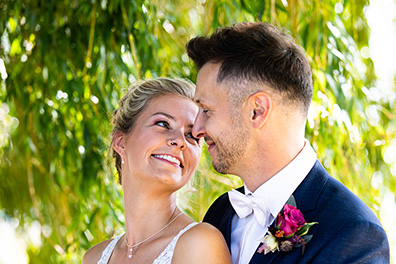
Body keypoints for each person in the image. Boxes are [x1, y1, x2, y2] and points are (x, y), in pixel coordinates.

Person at [187, 22, 390, 263]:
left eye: (206, 110)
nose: (197, 130)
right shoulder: (220, 214)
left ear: (257, 111)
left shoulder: (352, 233)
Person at [82, 78, 232, 264]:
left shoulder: (199, 244)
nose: (179, 141)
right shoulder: (94, 258)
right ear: (121, 142)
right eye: (163, 124)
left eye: (191, 136)